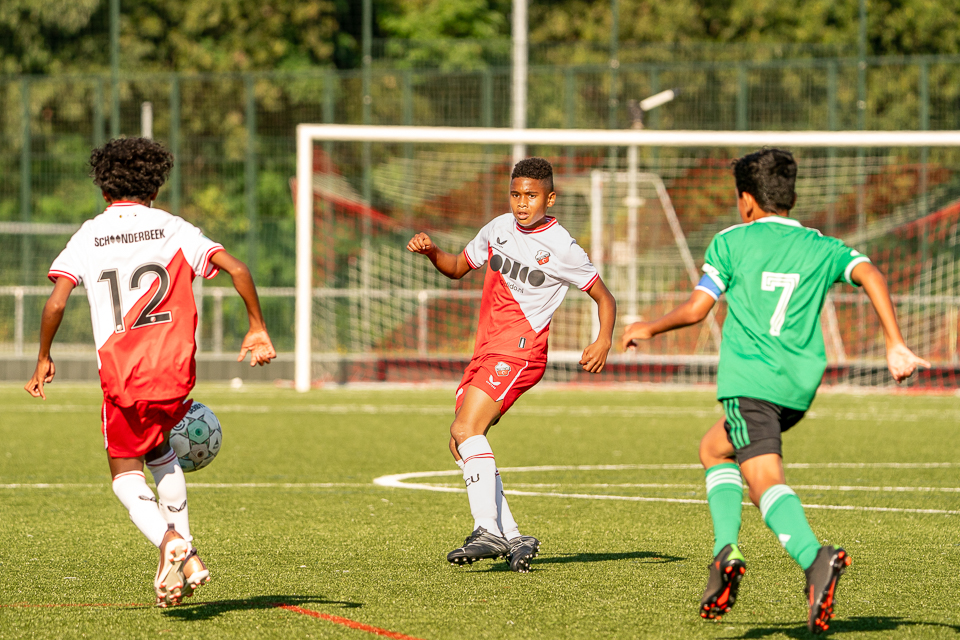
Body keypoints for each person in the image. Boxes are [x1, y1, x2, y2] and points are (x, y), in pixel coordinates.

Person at [622, 148, 928, 634]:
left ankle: (814, 559)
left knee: (763, 478)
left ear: (746, 200)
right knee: (713, 447)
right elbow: (870, 272)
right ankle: (725, 553)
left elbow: (699, 308)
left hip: (751, 382)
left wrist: (650, 328)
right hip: (799, 385)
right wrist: (895, 343)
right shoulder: (820, 246)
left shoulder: (731, 242)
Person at [24, 137, 277, 607]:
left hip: (123, 379)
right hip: (174, 374)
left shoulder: (89, 234)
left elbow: (57, 300)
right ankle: (188, 557)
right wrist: (256, 328)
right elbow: (237, 269)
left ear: (103, 189)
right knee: (162, 456)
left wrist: (43, 357)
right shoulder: (175, 228)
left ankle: (169, 542)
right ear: (156, 187)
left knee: (124, 475)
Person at [407, 157, 616, 572]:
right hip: (486, 349)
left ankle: (486, 529)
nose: (522, 203)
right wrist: (432, 251)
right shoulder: (498, 228)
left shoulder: (562, 246)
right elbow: (456, 268)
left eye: (532, 196)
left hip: (521, 351)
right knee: (461, 443)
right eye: (516, 194)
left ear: (550, 198)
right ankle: (516, 537)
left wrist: (603, 339)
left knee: (465, 430)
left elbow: (604, 297)